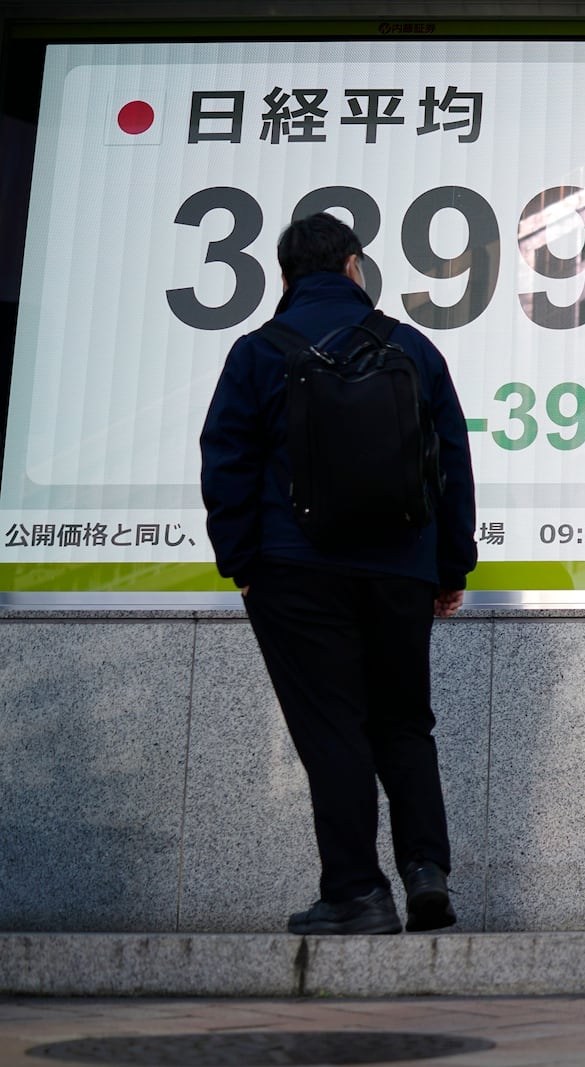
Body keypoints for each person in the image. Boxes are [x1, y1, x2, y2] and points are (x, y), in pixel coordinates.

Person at [200, 213, 477, 935]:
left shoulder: (258, 351)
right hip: (400, 570)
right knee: (404, 722)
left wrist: (243, 566)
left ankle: (357, 891)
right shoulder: (414, 348)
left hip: (296, 569)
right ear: (355, 267)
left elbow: (226, 461)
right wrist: (448, 567)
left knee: (335, 729)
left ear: (285, 277)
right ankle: (425, 870)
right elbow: (451, 462)